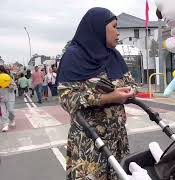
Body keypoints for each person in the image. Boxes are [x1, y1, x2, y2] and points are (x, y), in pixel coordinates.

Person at [57, 7, 146, 179]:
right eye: (114, 27)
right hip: (89, 141)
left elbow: (131, 83)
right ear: (98, 28)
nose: (118, 33)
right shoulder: (73, 57)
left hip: (117, 139)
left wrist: (129, 91)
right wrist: (108, 97)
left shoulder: (114, 56)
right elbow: (66, 98)